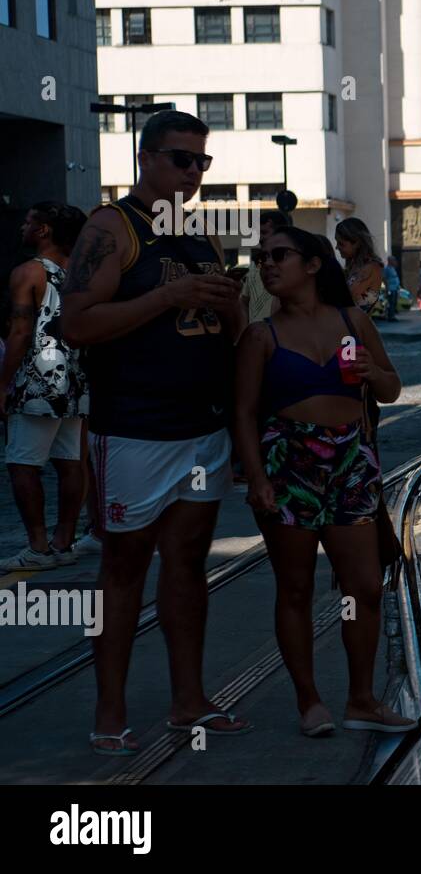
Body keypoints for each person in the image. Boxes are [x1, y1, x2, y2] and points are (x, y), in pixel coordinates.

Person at [61, 109, 250, 755]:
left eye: (203, 162)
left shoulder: (201, 237)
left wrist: (231, 312)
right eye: (182, 159)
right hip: (134, 429)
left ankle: (187, 697)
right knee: (124, 565)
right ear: (145, 157)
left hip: (200, 429)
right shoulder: (111, 228)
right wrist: (165, 300)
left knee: (189, 565)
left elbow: (234, 336)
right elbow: (77, 322)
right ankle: (109, 707)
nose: (194, 173)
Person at [233, 226, 414, 736]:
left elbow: (393, 388)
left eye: (279, 256)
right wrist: (255, 478)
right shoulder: (260, 336)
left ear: (313, 265)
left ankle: (361, 699)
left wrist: (368, 373)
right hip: (286, 462)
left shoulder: (352, 320)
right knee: (295, 587)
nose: (267, 265)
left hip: (351, 459)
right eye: (261, 257)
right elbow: (243, 414)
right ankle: (309, 699)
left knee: (362, 587)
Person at [1, 202, 89, 571]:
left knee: (22, 463)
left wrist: (3, 382)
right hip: (76, 376)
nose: (23, 227)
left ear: (44, 231)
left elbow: (21, 331)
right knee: (71, 461)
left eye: (28, 222)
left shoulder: (28, 273)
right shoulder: (84, 274)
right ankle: (63, 542)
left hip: (37, 378)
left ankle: (38, 547)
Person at [242, 209, 289, 323]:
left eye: (264, 232)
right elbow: (244, 302)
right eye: (258, 233)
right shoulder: (255, 265)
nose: (260, 238)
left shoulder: (292, 265)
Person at [335, 218, 384, 316]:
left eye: (341, 244)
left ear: (357, 243)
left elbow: (348, 301)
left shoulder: (372, 268)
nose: (337, 247)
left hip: (354, 328)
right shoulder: (354, 266)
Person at [382, 256, 401, 322]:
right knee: (391, 303)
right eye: (393, 260)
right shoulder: (386, 269)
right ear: (390, 261)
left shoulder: (393, 268)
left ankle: (392, 315)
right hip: (390, 288)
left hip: (395, 288)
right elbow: (384, 278)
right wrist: (387, 288)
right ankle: (390, 317)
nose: (394, 261)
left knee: (394, 303)